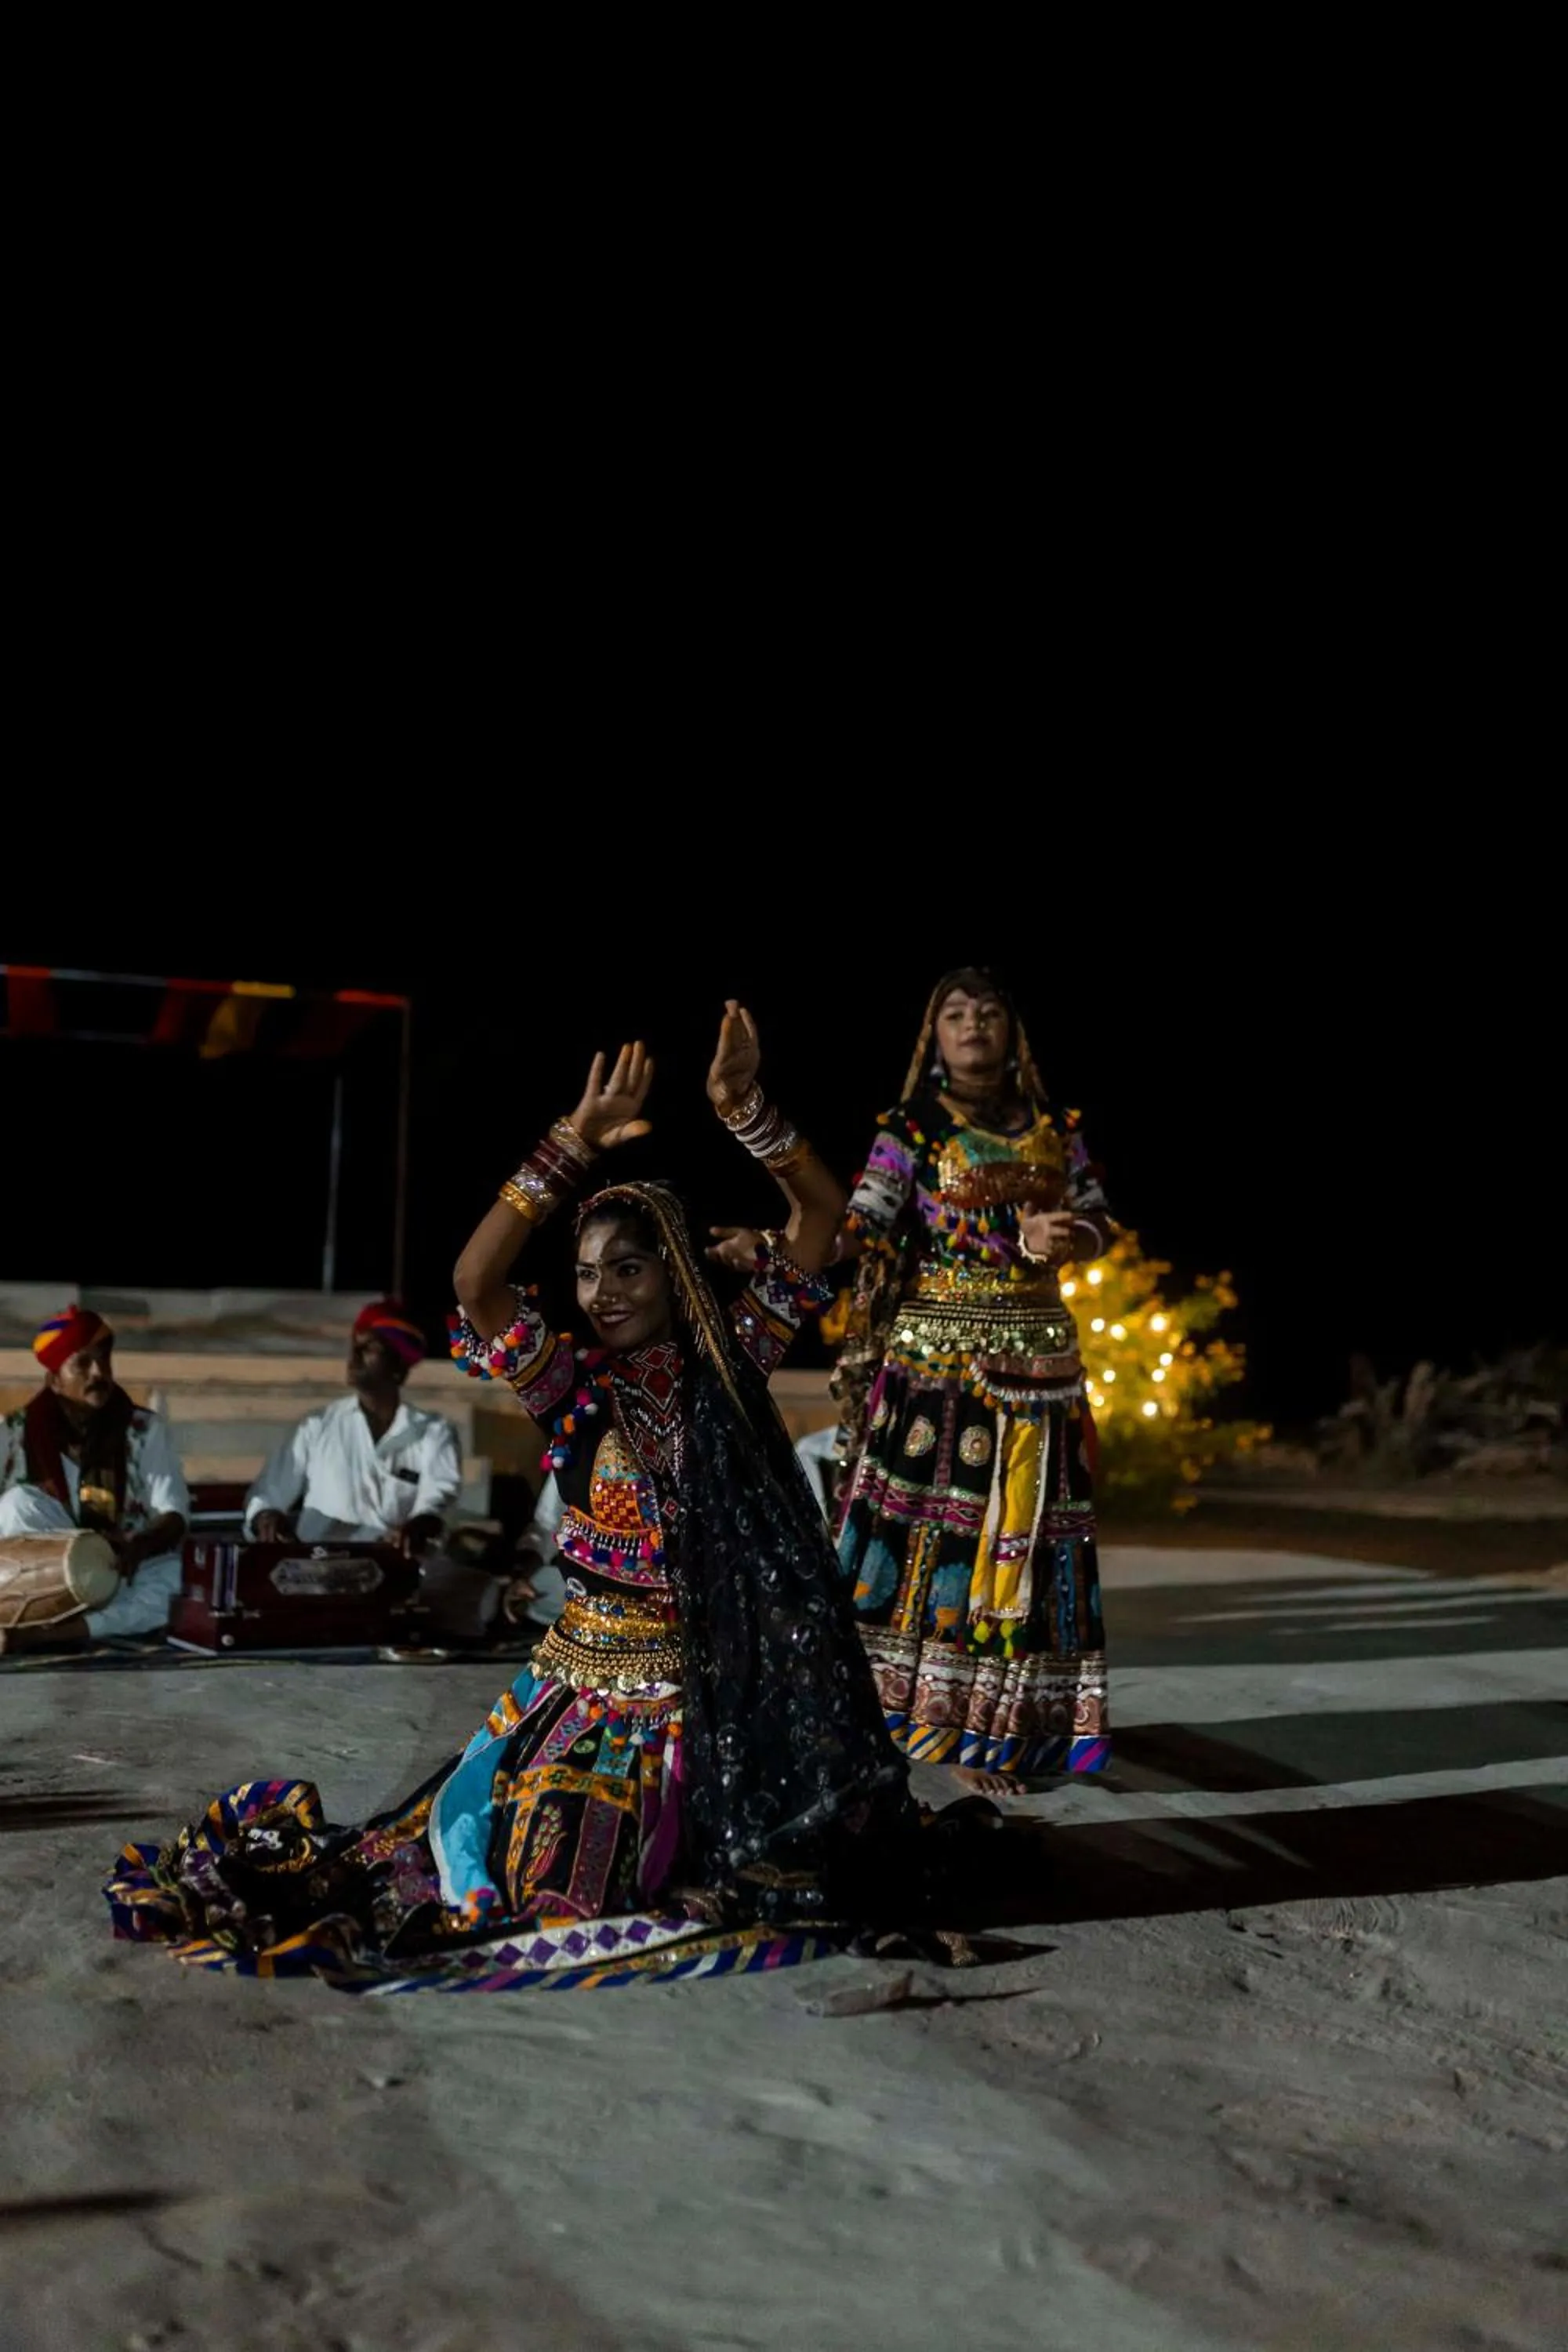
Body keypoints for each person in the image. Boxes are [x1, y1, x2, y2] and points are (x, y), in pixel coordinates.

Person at [105, 1007, 916, 1993]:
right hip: (579, 1684)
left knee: (707, 1860)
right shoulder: (572, 1389)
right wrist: (570, 1143)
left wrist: (745, 1111)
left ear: (675, 1270)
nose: (602, 1294)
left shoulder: (732, 1362)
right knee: (540, 1870)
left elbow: (820, 1220)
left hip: (710, 1687)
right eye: (584, 1276)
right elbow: (475, 1278)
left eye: (627, 1269)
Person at [826, 966, 1113, 1791]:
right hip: (936, 1368)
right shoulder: (911, 1128)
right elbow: (861, 1226)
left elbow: (1097, 1219)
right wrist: (788, 1233)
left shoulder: (1056, 1127)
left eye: (988, 1012)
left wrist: (1068, 1241)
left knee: (1025, 1542)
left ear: (1011, 1031)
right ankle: (927, 1729)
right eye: (956, 1013)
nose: (973, 1024)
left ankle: (1010, 1726)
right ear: (935, 1034)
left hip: (1041, 1362)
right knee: (934, 1539)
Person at [0, 1308, 189, 1651]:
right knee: (19, 1504)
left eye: (104, 1360)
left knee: (177, 1580)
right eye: (83, 1364)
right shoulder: (12, 1433)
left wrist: (139, 1546)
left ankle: (48, 1634)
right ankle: (45, 1618)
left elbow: (174, 1514)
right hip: (37, 1583)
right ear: (55, 1378)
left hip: (115, 1572)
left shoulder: (144, 1429)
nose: (99, 1373)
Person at [244, 1300, 460, 1558]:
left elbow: (438, 1501)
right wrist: (266, 1517)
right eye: (355, 1346)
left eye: (370, 1348)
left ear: (398, 1370)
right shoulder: (316, 1426)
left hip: (393, 1573)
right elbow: (268, 1495)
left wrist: (421, 1525)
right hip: (316, 1573)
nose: (354, 1357)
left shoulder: (433, 1432)